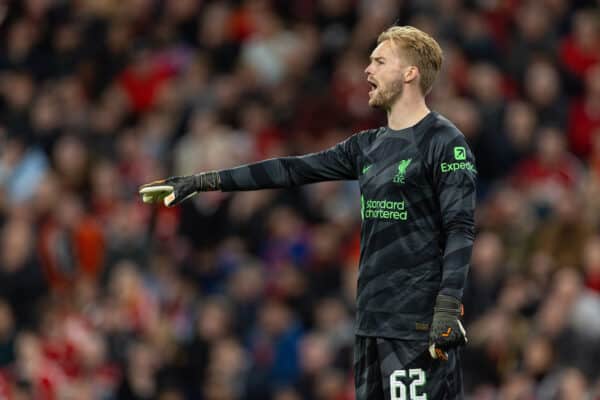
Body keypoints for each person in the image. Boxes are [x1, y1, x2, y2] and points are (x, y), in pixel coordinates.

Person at [140, 25, 476, 400]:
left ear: (410, 73)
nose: (368, 70)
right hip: (371, 322)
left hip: (419, 323)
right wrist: (201, 182)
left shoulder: (445, 143)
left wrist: (447, 306)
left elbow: (460, 226)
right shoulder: (367, 146)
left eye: (380, 61)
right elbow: (290, 170)